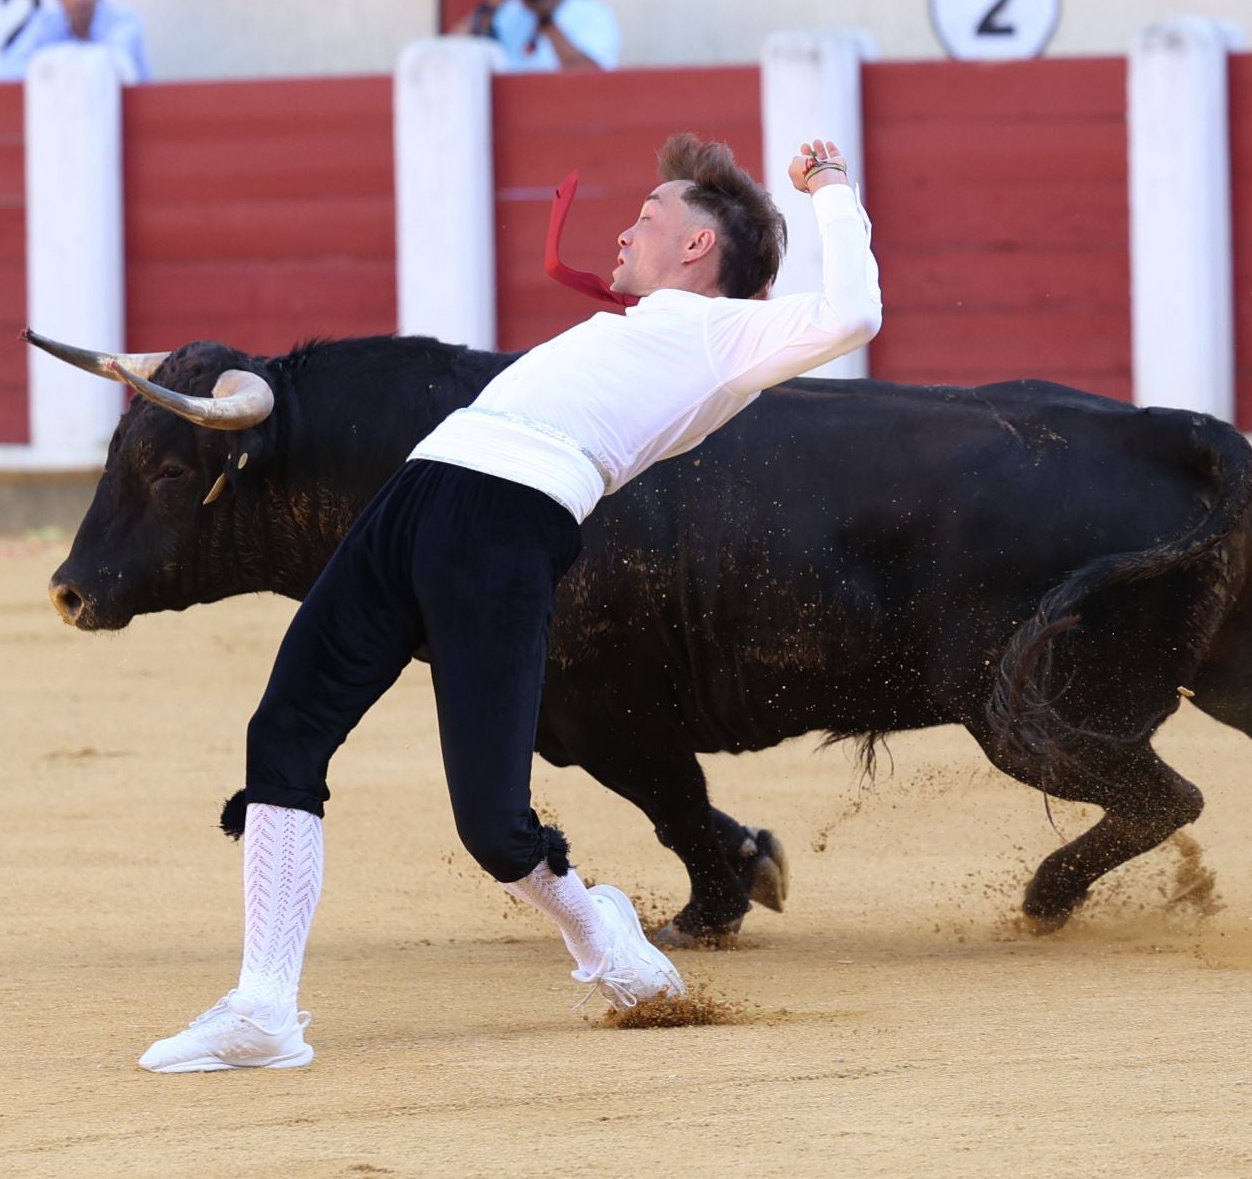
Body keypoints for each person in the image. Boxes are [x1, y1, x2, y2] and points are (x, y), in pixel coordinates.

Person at [136, 134, 883, 1072]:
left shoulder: (726, 334)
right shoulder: (638, 324)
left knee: (492, 825)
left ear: (698, 247)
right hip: (416, 493)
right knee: (284, 728)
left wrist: (830, 190)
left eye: (648, 217)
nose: (623, 230)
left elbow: (856, 311)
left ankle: (597, 931)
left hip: (506, 524)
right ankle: (263, 1008)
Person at [0, 0, 152, 83]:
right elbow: (7, 71)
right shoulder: (46, 21)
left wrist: (49, 66)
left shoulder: (124, 21)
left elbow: (114, 69)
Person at [446, 0, 620, 72]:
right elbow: (452, 53)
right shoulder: (509, 10)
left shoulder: (592, 13)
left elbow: (593, 77)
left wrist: (547, 20)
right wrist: (491, 5)